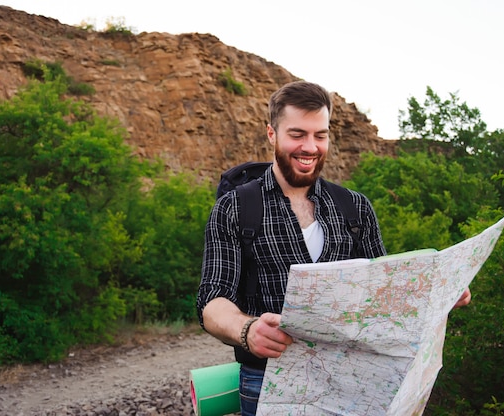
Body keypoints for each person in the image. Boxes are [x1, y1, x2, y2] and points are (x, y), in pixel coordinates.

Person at [196, 81, 471, 416]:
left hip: (355, 382)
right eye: (297, 134)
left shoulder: (355, 207)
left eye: (320, 135)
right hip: (267, 382)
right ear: (271, 134)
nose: (310, 147)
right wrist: (247, 330)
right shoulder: (235, 208)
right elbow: (212, 298)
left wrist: (437, 293)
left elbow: (382, 297)